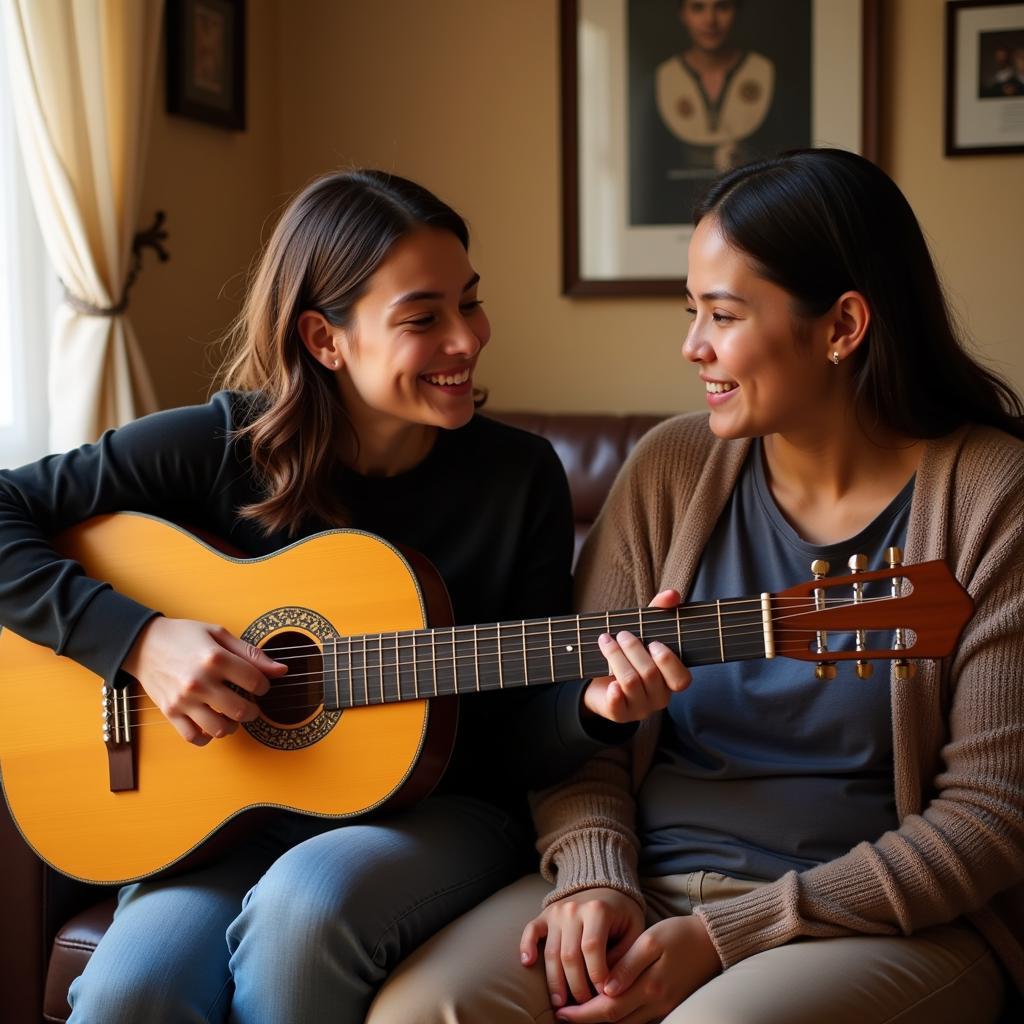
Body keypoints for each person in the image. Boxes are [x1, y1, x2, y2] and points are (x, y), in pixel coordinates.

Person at [365, 149, 1024, 1024]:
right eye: (692, 311)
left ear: (842, 326)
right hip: (642, 881)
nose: (692, 346)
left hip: (871, 921)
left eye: (722, 314)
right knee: (419, 1014)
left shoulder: (991, 496)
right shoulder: (670, 469)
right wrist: (595, 876)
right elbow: (577, 734)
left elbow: (988, 820)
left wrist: (727, 935)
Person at [0, 169, 637, 1023]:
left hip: (436, 813)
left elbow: (524, 732)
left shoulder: (518, 479)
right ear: (325, 338)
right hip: (221, 818)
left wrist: (593, 711)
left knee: (304, 907)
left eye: (470, 303)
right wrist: (139, 640)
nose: (466, 339)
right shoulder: (222, 445)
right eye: (423, 318)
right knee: (128, 991)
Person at [655, 0, 774, 172]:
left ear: (737, 12)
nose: (710, 20)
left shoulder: (765, 73)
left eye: (722, 7)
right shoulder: (663, 78)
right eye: (698, 8)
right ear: (682, 14)